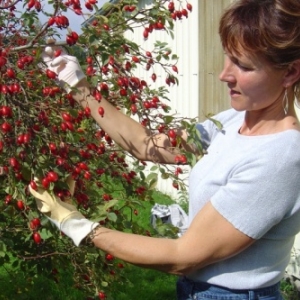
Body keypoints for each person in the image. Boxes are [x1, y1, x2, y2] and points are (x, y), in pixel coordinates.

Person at [29, 0, 300, 299]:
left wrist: (77, 225)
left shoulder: (281, 156)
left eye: (244, 65)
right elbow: (149, 147)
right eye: (228, 58)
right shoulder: (233, 121)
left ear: (289, 73)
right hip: (197, 289)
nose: (225, 75)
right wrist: (78, 86)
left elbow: (181, 255)